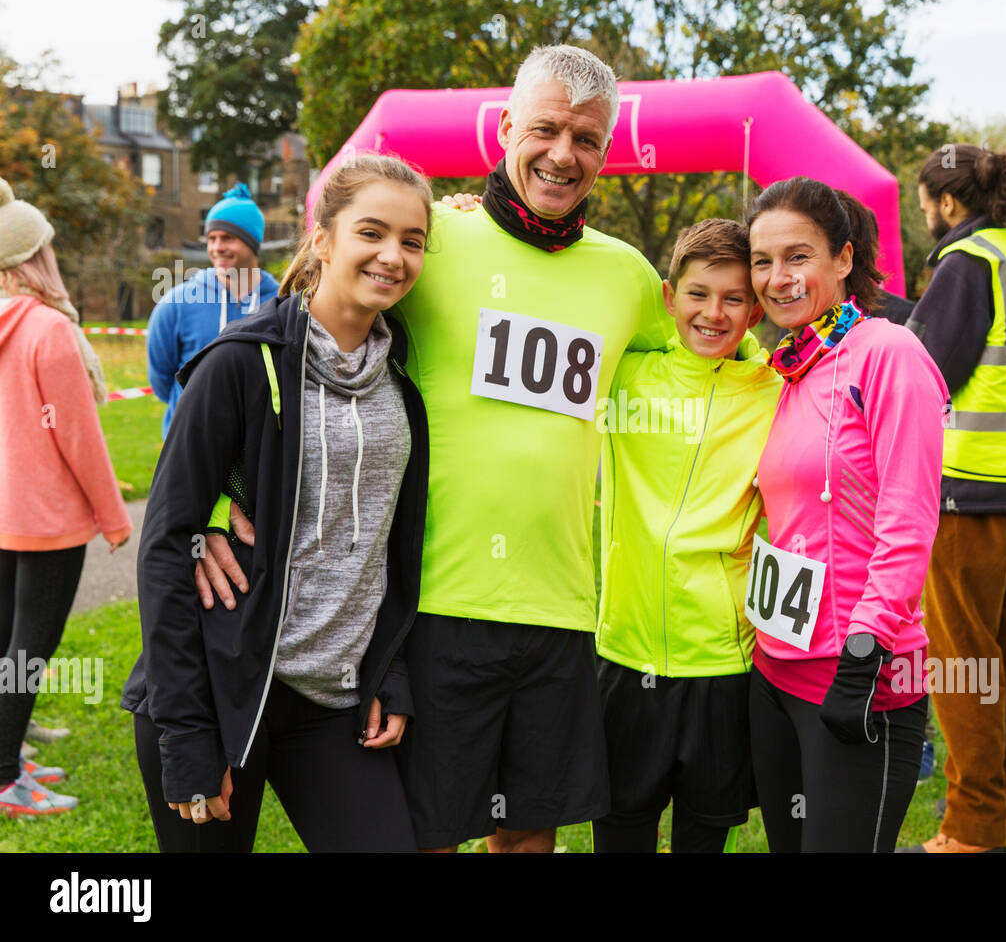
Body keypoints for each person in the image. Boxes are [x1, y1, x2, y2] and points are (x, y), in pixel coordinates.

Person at [198, 45, 673, 854]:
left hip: (562, 609)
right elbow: (287, 340)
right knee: (430, 834)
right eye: (547, 129)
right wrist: (219, 499)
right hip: (432, 605)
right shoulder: (430, 242)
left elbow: (694, 362)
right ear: (506, 127)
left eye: (587, 139)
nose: (564, 154)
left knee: (529, 837)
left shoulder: (627, 276)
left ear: (607, 151)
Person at [121, 154, 433, 852]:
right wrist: (187, 734)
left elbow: (392, 550)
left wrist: (391, 671)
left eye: (412, 241)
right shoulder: (239, 363)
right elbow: (168, 543)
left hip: (334, 703)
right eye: (372, 233)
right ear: (321, 239)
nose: (393, 256)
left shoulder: (403, 383)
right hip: (222, 693)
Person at [745, 178, 948, 852]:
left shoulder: (889, 354)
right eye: (762, 260)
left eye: (797, 257)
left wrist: (864, 654)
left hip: (861, 678)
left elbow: (909, 520)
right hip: (775, 670)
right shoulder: (784, 364)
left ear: (843, 259)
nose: (777, 278)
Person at [592, 218, 780, 853]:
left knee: (704, 835)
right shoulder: (625, 373)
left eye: (733, 298)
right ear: (670, 297)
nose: (714, 313)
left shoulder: (778, 391)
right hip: (622, 654)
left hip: (723, 665)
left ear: (755, 308)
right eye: (698, 294)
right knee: (621, 831)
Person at [900, 144, 1006, 854]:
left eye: (922, 202)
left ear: (947, 203)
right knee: (1002, 650)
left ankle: (971, 829)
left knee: (961, 656)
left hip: (972, 489)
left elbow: (925, 367)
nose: (920, 216)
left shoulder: (965, 264)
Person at [0, 177, 132, 816]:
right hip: (48, 519)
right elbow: (79, 439)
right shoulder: (50, 331)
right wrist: (113, 517)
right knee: (28, 652)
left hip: (5, 513)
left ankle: (6, 759)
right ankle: (5, 779)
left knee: (7, 645)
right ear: (33, 257)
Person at [147, 182, 282, 436]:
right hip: (189, 447)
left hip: (259, 449)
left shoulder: (282, 303)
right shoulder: (177, 304)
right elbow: (161, 380)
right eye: (211, 238)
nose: (217, 247)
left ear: (252, 243)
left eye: (228, 238)